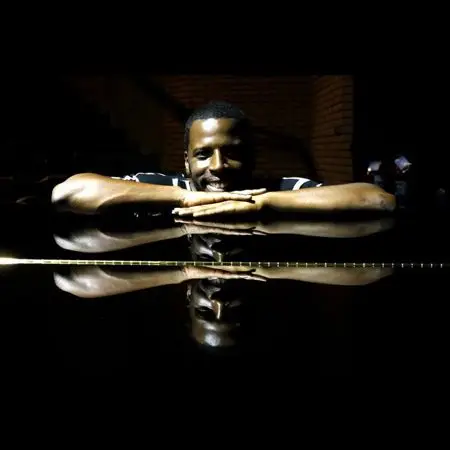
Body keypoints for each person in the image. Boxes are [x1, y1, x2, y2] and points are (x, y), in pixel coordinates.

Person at [51, 101, 396, 216]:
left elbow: (379, 200)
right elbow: (66, 193)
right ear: (186, 162)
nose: (218, 166)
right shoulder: (160, 186)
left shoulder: (282, 188)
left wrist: (259, 204)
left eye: (233, 152)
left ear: (253, 156)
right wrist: (186, 198)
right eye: (203, 154)